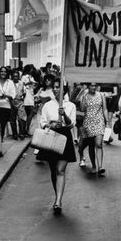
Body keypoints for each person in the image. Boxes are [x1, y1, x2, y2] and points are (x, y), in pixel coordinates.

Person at [40, 78, 76, 215]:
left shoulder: (70, 105)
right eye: (54, 87)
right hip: (51, 136)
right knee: (53, 170)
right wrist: (50, 124)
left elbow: (71, 124)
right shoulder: (47, 105)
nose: (56, 89)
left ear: (64, 90)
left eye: (58, 87)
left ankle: (58, 201)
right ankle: (57, 195)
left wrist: (64, 114)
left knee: (61, 169)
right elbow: (42, 122)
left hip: (64, 136)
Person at [80, 82, 108, 175]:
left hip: (99, 121)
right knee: (91, 145)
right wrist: (83, 97)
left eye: (95, 85)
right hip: (88, 122)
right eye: (92, 85)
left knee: (99, 143)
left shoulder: (101, 95)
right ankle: (94, 166)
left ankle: (100, 166)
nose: (94, 87)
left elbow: (105, 109)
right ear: (88, 86)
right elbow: (82, 109)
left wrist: (107, 121)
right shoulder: (85, 96)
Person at [10, 69, 27, 140]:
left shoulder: (22, 83)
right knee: (12, 120)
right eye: (14, 76)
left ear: (18, 77)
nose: (15, 78)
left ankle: (21, 133)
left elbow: (25, 92)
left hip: (20, 102)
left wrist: (22, 99)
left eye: (16, 76)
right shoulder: (10, 83)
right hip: (11, 102)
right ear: (12, 77)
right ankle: (14, 134)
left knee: (21, 119)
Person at [21, 64, 37, 137]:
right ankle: (23, 130)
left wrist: (34, 84)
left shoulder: (32, 77)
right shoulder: (24, 77)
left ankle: (27, 128)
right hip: (26, 95)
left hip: (31, 95)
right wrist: (28, 83)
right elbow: (21, 85)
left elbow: (34, 85)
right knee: (27, 112)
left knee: (31, 112)